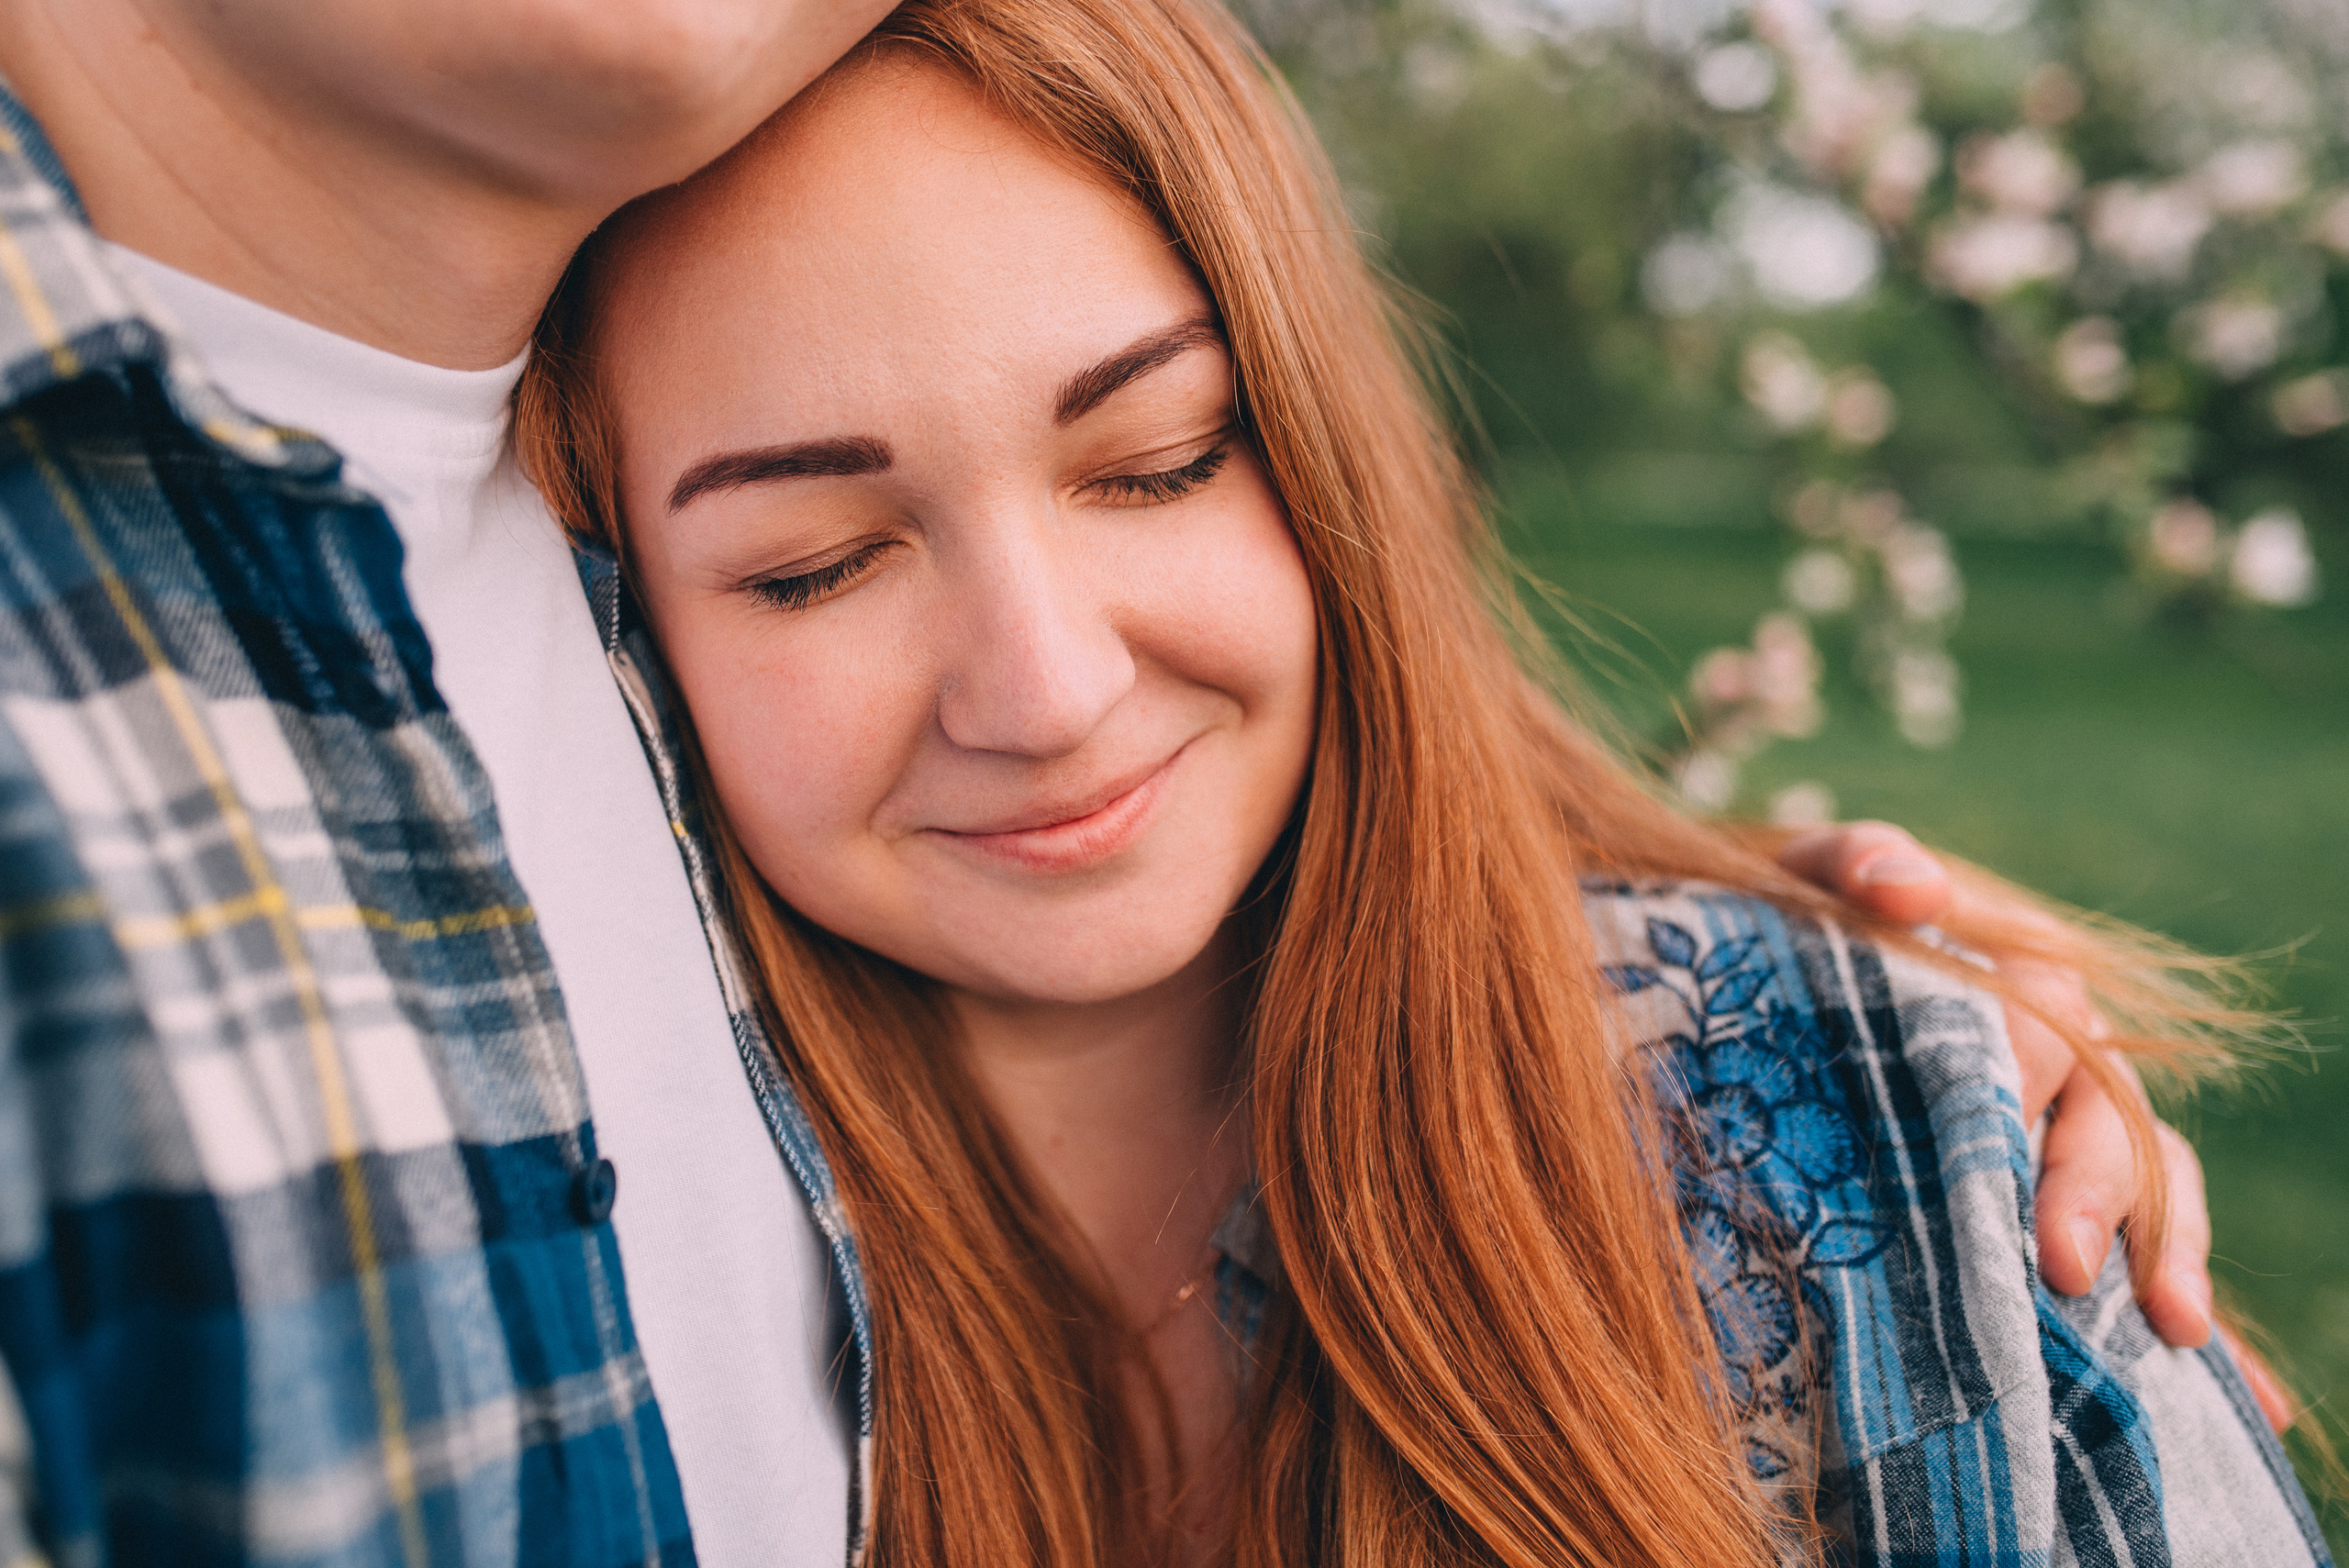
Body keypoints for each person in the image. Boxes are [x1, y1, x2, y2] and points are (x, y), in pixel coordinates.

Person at [0, 1, 2263, 1565]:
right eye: (811, 565)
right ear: (614, 636)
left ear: (1325, 476)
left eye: (1159, 461)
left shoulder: (1890, 1193)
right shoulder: (607, 1133)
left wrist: (1813, 1016)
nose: (1048, 686)